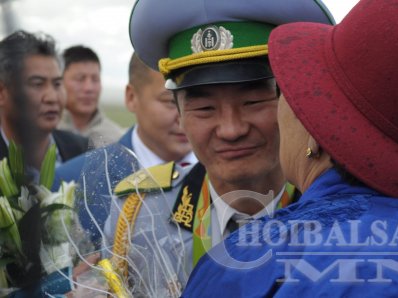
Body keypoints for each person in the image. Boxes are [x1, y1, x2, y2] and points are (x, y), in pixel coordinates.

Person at [182, 0, 398, 296]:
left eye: (284, 91)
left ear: (317, 127)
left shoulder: (241, 266)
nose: (232, 130)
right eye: (205, 107)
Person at [101, 0, 334, 296]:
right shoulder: (138, 216)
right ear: (180, 114)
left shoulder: (344, 221)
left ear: (292, 105)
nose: (231, 129)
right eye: (205, 108)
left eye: (252, 102)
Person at [53, 52, 197, 248]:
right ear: (131, 97)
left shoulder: (234, 175)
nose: (184, 116)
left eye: (196, 102)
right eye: (171, 102)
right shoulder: (72, 182)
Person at [0, 30, 88, 182]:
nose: (52, 97)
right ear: (2, 92)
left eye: (57, 84)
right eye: (37, 84)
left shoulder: (84, 154)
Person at [58, 45, 124, 148]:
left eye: (95, 79)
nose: (89, 88)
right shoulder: (46, 133)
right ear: (60, 82)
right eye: (80, 79)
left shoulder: (116, 140)